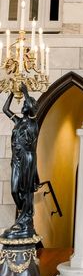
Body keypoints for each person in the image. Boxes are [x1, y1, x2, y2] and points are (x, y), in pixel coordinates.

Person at [2, 83, 40, 239]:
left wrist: (25, 91)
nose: (24, 105)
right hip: (16, 159)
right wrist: (12, 93)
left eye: (25, 104)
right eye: (24, 103)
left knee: (25, 191)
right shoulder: (18, 121)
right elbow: (5, 109)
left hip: (28, 158)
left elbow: (32, 106)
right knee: (14, 190)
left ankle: (25, 218)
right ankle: (22, 217)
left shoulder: (33, 123)